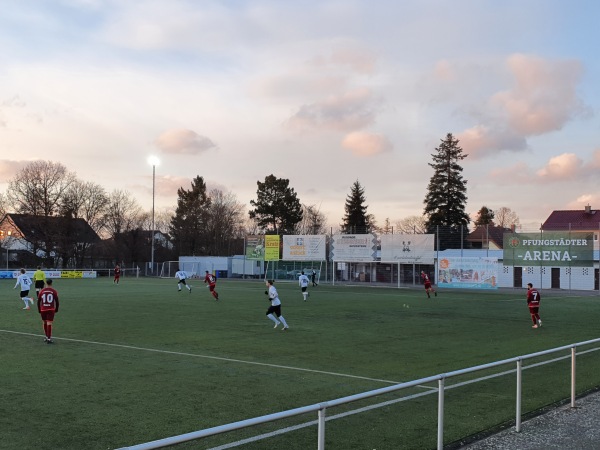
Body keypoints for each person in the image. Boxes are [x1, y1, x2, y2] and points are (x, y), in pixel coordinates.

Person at [38, 278, 60, 344]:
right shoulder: (54, 291)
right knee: (49, 323)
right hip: (51, 309)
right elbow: (57, 301)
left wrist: (39, 309)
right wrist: (57, 309)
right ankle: (49, 339)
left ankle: (46, 337)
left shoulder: (41, 291)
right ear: (51, 283)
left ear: (45, 283)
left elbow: (38, 301)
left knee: (44, 322)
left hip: (43, 309)